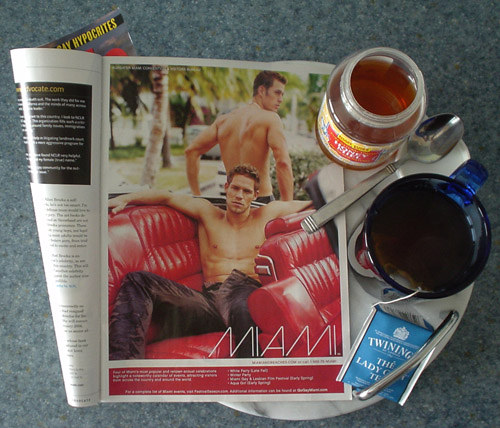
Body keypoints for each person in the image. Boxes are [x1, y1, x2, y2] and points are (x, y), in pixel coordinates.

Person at [108, 164, 312, 359]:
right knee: (138, 280)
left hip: (244, 293)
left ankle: (251, 379)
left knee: (245, 307)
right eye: (235, 188)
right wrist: (127, 198)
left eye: (247, 191)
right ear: (227, 188)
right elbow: (166, 197)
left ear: (255, 195)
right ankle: (122, 363)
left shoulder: (267, 213)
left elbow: (309, 205)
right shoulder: (208, 213)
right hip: (209, 303)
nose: (239, 195)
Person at [185, 70, 294, 203]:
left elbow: (191, 151)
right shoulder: (271, 119)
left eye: (282, 94)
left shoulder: (224, 121)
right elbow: (283, 162)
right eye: (277, 93)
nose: (281, 99)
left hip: (233, 201)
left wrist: (197, 195)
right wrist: (288, 206)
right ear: (261, 90)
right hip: (260, 201)